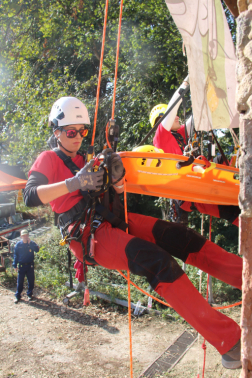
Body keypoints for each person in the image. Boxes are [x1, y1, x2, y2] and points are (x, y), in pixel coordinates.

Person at [24, 96, 242, 369]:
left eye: (83, 131)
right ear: (56, 132)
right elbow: (30, 196)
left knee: (180, 237)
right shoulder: (49, 159)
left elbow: (115, 193)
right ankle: (230, 343)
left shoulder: (87, 157)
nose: (78, 137)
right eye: (71, 132)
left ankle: (244, 276)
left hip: (111, 219)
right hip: (87, 236)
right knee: (158, 262)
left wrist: (116, 182)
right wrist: (74, 182)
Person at [151, 77, 240, 226]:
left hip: (195, 183)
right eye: (173, 117)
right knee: (228, 210)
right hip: (188, 190)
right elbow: (172, 110)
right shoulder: (160, 137)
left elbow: (196, 118)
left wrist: (210, 94)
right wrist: (185, 84)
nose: (177, 117)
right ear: (160, 120)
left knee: (221, 162)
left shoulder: (178, 134)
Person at [13, 229, 40, 303]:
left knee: (31, 281)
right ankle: (18, 296)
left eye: (26, 235)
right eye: (23, 235)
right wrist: (15, 265)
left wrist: (30, 244)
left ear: (28, 235)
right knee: (20, 282)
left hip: (30, 266)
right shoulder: (18, 245)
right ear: (21, 236)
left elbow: (37, 250)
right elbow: (16, 255)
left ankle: (29, 294)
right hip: (21, 266)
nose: (25, 236)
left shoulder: (32, 243)